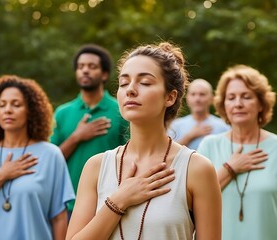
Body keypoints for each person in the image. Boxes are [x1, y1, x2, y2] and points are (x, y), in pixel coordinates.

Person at [66, 42, 221, 240]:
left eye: (145, 82)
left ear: (170, 97)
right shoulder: (96, 167)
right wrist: (118, 201)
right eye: (123, 83)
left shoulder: (197, 168)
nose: (130, 90)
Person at [0, 75, 74, 240]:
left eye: (16, 104)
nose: (8, 109)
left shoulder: (51, 155)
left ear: (31, 111)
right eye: (2, 105)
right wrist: (2, 175)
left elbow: (59, 218)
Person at [197, 65, 276, 240]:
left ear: (261, 104)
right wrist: (229, 168)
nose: (238, 104)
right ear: (223, 105)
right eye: (231, 98)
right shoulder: (209, 146)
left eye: (246, 97)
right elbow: (193, 202)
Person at [50, 44, 128, 214]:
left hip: (110, 205)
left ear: (104, 74)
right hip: (68, 206)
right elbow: (50, 162)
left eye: (92, 67)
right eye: (80, 67)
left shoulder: (122, 110)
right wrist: (76, 137)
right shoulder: (62, 113)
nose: (85, 70)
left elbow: (131, 158)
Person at [168, 78, 230, 150]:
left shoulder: (224, 126)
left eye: (202, 94)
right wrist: (189, 136)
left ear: (211, 98)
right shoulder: (175, 126)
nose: (197, 99)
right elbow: (167, 152)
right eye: (193, 94)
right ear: (187, 98)